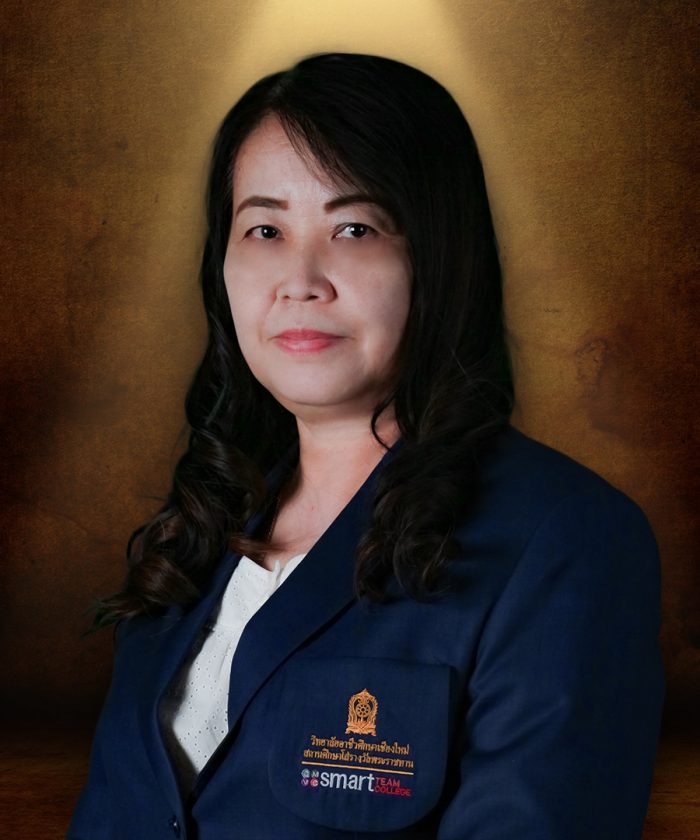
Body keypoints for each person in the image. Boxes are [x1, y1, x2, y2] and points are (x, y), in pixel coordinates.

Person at [68, 53, 664, 839]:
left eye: (354, 228)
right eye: (265, 229)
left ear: (439, 256)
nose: (301, 279)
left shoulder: (566, 541)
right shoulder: (196, 535)